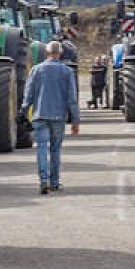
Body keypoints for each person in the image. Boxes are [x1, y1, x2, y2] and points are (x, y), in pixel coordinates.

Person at [21, 41, 80, 194]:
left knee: (41, 148)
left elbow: (28, 95)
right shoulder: (67, 72)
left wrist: (23, 111)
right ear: (60, 53)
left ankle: (43, 181)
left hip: (39, 115)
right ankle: (54, 182)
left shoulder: (36, 70)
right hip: (58, 116)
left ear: (46, 53)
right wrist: (75, 120)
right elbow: (72, 98)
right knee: (55, 150)